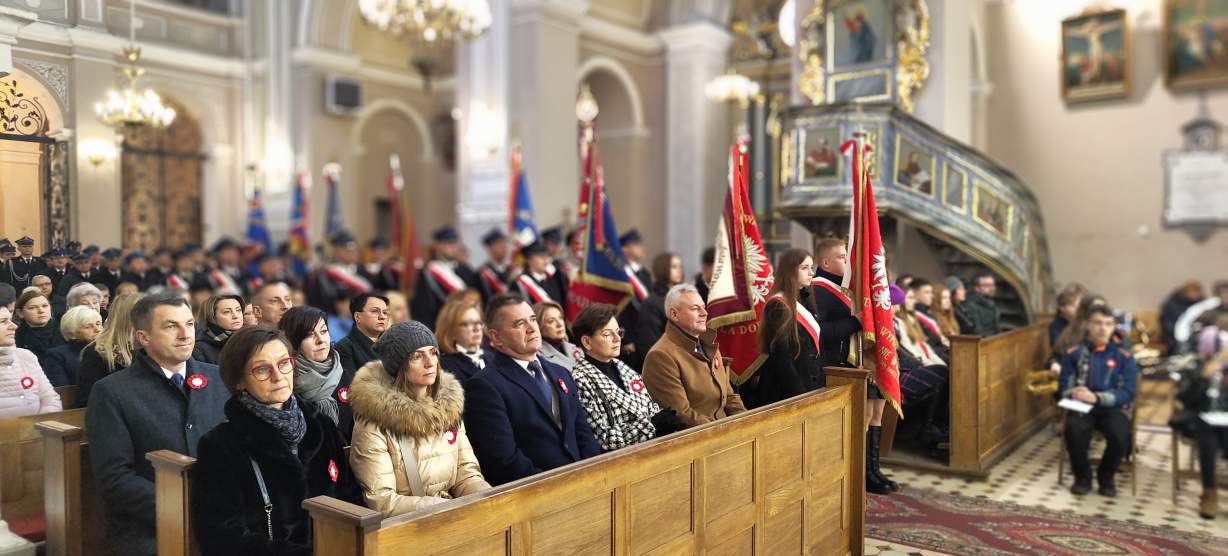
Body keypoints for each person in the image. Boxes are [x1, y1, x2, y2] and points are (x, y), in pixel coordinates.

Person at [190, 326, 362, 555]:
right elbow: (222, 538)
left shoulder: (322, 426)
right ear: (239, 380)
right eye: (262, 369)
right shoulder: (220, 445)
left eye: (283, 363)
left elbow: (351, 499)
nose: (278, 376)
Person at [86, 292, 229, 555]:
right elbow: (115, 477)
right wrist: (187, 506)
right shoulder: (112, 392)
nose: (185, 335)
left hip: (226, 520)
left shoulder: (219, 378)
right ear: (144, 337)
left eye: (188, 324)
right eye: (170, 326)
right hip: (152, 527)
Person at [349, 321, 491, 515]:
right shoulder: (373, 423)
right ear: (398, 365)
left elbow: (466, 473)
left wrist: (487, 497)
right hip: (408, 526)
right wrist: (442, 508)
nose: (430, 362)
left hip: (450, 514)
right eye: (417, 356)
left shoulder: (447, 406)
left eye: (433, 352)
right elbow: (382, 500)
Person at [463, 293, 600, 485]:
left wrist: (591, 471)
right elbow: (503, 460)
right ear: (496, 337)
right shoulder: (485, 386)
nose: (531, 328)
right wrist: (554, 486)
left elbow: (583, 433)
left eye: (533, 319)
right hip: (537, 495)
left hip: (585, 483)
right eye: (519, 324)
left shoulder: (561, 372)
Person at [570, 304, 680, 452]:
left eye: (618, 332)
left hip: (653, 449)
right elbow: (604, 439)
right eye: (607, 334)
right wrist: (653, 425)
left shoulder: (623, 367)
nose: (617, 339)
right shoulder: (580, 380)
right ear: (587, 342)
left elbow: (650, 408)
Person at [1060, 304, 1137, 498]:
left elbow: (1127, 392)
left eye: (1108, 324)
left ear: (1114, 328)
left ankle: (1106, 476)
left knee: (1120, 434)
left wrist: (1097, 397)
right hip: (1081, 405)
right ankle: (1082, 477)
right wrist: (1074, 392)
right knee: (1074, 429)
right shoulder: (1073, 354)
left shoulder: (1124, 357)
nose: (1103, 328)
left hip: (1112, 407)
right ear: (1087, 326)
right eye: (1098, 323)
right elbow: (1063, 387)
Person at [642, 283, 746, 427]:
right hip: (700, 441)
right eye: (695, 308)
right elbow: (683, 415)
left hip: (725, 431)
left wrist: (747, 422)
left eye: (703, 307)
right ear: (674, 314)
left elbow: (729, 396)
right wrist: (727, 431)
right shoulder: (660, 356)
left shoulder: (708, 343)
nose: (704, 313)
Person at [743, 249, 823, 409]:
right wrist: (799, 395)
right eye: (804, 268)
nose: (811, 273)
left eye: (811, 267)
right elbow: (782, 356)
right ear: (790, 270)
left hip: (808, 382)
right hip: (787, 391)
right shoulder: (778, 305)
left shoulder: (804, 301)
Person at [893, 286, 950, 458]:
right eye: (896, 304)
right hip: (899, 374)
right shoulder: (890, 323)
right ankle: (928, 429)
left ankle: (931, 428)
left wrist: (921, 362)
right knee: (942, 373)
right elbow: (897, 354)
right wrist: (919, 363)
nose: (898, 307)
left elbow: (917, 348)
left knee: (943, 373)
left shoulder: (900, 322)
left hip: (910, 366)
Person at [280, 306, 353, 438]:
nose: (320, 340)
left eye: (324, 331)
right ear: (293, 341)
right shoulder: (285, 384)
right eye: (309, 335)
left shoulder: (345, 375)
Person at [1175, 345, 1228, 519]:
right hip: (1200, 418)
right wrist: (1204, 377)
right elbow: (1185, 398)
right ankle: (1209, 493)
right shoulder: (1194, 365)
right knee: (1209, 446)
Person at [411, 227, 478, 331]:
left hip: (468, 326)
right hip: (442, 328)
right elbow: (423, 307)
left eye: (455, 243)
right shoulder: (427, 272)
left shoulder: (466, 270)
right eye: (448, 243)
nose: (453, 247)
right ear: (438, 246)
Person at [0, 305, 62, 417]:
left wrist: (40, 425)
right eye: (4, 321)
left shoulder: (26, 356)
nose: (14, 326)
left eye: (10, 320)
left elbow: (50, 398)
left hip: (38, 432)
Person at [306, 230, 373, 315]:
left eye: (355, 250)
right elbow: (317, 299)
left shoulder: (364, 271)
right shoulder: (325, 274)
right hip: (333, 317)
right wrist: (336, 305)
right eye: (347, 250)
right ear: (336, 251)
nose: (353, 253)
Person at [635, 252, 683, 367]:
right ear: (662, 269)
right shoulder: (651, 303)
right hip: (664, 364)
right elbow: (649, 343)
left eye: (680, 266)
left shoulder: (682, 297)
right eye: (674, 266)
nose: (679, 270)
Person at [42, 305, 103, 387]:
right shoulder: (57, 356)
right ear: (72, 333)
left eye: (98, 324)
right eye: (88, 327)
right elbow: (62, 390)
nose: (97, 329)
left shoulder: (109, 351)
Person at [617, 229, 652, 370]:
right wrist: (626, 338)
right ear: (624, 249)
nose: (641, 248)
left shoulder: (644, 273)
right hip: (631, 337)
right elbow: (622, 308)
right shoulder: (621, 274)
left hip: (645, 333)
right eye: (636, 244)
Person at [334, 292, 388, 377]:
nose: (382, 317)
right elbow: (352, 387)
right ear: (357, 317)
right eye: (375, 311)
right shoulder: (344, 348)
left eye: (385, 312)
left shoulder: (393, 343)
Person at [435, 297, 487, 384]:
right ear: (450, 330)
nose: (477, 328)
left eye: (479, 322)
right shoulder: (444, 366)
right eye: (467, 324)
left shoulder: (493, 358)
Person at [15, 287, 65, 365]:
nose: (41, 311)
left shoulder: (65, 332)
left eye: (45, 306)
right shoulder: (15, 337)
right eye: (32, 308)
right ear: (20, 313)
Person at [192, 294, 245, 365]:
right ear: (212, 317)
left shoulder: (250, 339)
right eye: (227, 312)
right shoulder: (200, 349)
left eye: (238, 310)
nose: (236, 316)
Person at [512, 240, 567, 305]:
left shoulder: (556, 277)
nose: (545, 260)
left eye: (547, 256)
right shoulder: (520, 284)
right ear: (529, 260)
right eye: (541, 257)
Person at [909, 278, 950, 362]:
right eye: (927, 292)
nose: (932, 296)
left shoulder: (927, 313)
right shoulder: (915, 316)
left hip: (940, 352)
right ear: (914, 293)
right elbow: (930, 344)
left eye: (931, 292)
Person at [1161, 279, 1205, 354]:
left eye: (1196, 292)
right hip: (1173, 335)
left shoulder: (1201, 305)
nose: (1194, 294)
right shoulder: (1172, 305)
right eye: (1192, 292)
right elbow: (1167, 323)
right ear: (1185, 292)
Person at [534, 301, 580, 372]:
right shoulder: (537, 357)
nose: (560, 324)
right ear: (538, 327)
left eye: (560, 318)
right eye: (551, 321)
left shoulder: (576, 349)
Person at [476, 228, 512, 304]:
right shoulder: (481, 274)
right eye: (499, 243)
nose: (504, 246)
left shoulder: (511, 269)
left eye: (505, 243)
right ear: (489, 248)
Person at [964, 272, 1002, 337]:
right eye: (987, 285)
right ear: (977, 288)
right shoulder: (971, 306)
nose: (992, 288)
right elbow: (977, 332)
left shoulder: (990, 303)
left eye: (993, 285)